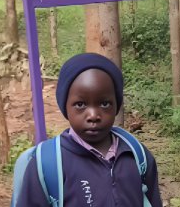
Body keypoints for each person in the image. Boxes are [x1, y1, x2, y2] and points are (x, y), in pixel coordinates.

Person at [16, 53, 162, 207]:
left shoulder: (136, 154)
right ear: (65, 106)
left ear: (116, 106)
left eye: (105, 104)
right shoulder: (48, 165)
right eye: (80, 104)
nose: (93, 115)